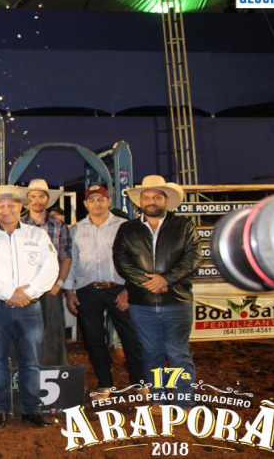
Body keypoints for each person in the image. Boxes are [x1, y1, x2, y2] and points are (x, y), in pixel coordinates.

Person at [0, 185, 58, 429]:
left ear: (21, 206)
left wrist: (25, 295)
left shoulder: (37, 235)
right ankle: (0, 410)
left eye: (11, 205)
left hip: (30, 308)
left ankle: (32, 410)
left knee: (31, 361)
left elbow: (50, 268)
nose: (6, 209)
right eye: (0, 205)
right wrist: (9, 294)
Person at [113, 175, 202, 410]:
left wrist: (167, 279)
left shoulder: (185, 226)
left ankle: (184, 403)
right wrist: (147, 282)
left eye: (156, 197)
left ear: (166, 200)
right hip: (142, 303)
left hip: (177, 300)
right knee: (151, 353)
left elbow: (193, 258)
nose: (151, 201)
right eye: (146, 197)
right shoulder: (127, 229)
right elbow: (121, 259)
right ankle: (158, 399)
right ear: (139, 202)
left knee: (178, 354)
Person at [63, 185, 146, 401]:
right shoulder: (76, 229)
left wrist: (130, 289)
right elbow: (71, 261)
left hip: (119, 288)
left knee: (131, 336)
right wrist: (70, 292)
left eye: (101, 199)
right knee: (94, 339)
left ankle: (139, 381)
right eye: (92, 200)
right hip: (87, 290)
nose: (96, 204)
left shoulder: (125, 226)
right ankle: (105, 383)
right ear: (85, 204)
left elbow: (137, 259)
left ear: (108, 201)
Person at [20, 178, 71, 366]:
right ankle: (23, 369)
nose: (37, 200)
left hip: (51, 287)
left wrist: (60, 284)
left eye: (41, 196)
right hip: (25, 286)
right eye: (33, 196)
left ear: (47, 199)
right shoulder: (18, 223)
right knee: (24, 329)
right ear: (27, 199)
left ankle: (55, 371)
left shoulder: (59, 225)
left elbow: (66, 256)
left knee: (54, 330)